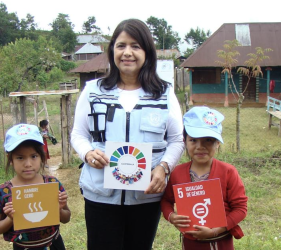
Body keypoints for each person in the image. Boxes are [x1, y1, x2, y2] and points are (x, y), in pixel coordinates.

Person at [71, 18, 184, 250]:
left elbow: (176, 139)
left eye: (135, 46)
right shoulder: (93, 91)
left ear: (147, 52)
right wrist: (87, 153)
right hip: (100, 193)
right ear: (112, 49)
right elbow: (78, 134)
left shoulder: (163, 94)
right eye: (121, 45)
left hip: (145, 196)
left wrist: (164, 167)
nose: (127, 53)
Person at [161, 106, 248, 250]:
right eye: (193, 140)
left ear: (218, 143)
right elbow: (166, 200)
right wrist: (171, 216)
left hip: (221, 242)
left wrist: (216, 230)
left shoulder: (228, 172)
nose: (200, 146)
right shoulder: (177, 173)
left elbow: (240, 208)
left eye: (208, 140)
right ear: (185, 141)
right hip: (190, 243)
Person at [0, 123, 71, 250]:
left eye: (34, 156)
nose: (28, 164)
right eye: (20, 158)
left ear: (41, 156)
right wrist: (10, 218)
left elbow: (66, 218)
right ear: (10, 159)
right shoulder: (3, 192)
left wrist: (60, 209)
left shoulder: (52, 184)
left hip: (54, 244)